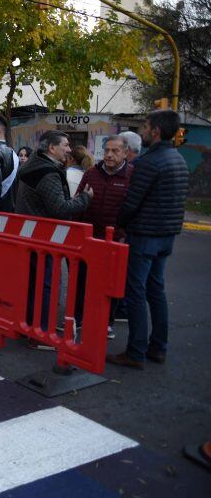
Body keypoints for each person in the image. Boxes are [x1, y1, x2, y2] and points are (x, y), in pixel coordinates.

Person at [109, 110, 189, 369]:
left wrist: (120, 224)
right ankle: (158, 347)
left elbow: (132, 203)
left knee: (136, 292)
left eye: (144, 126)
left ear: (155, 131)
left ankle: (135, 351)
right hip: (166, 236)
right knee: (156, 291)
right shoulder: (177, 159)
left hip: (144, 235)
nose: (142, 131)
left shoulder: (148, 163)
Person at [15, 130, 93, 342]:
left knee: (33, 283)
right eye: (65, 145)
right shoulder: (48, 173)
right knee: (45, 284)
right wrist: (85, 199)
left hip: (29, 234)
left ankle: (30, 325)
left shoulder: (31, 166)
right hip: (44, 238)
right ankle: (41, 330)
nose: (69, 149)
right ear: (52, 148)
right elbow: (60, 207)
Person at [73, 134, 134, 340]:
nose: (109, 155)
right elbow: (79, 199)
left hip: (116, 240)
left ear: (126, 153)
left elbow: (136, 208)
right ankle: (79, 318)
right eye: (106, 150)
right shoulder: (91, 173)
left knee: (109, 283)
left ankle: (106, 321)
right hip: (89, 238)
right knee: (82, 280)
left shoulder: (132, 175)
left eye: (115, 151)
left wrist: (125, 234)